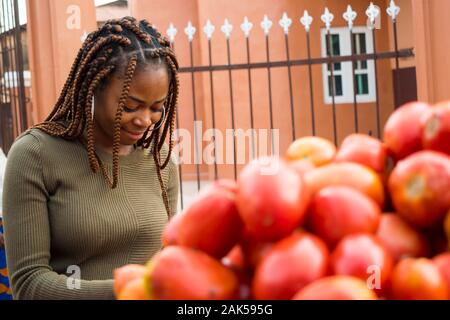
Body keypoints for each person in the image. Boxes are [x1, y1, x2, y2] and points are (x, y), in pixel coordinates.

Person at [1, 16, 179, 300]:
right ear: (94, 87)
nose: (145, 120)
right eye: (130, 106)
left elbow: (170, 262)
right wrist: (131, 292)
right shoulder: (35, 155)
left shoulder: (161, 163)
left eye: (157, 108)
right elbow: (29, 283)